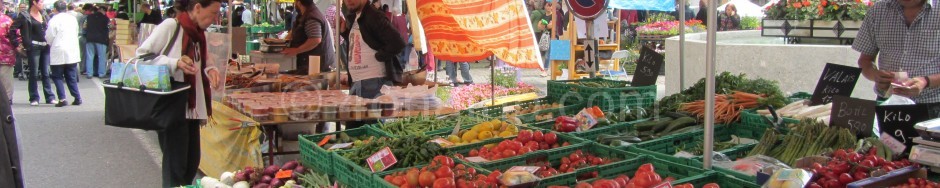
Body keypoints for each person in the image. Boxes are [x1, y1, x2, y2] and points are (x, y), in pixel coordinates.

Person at [136, 0, 220, 185]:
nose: (216, 18)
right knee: (176, 167)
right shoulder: (170, 26)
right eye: (213, 13)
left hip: (192, 108)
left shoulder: (198, 34)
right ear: (197, 7)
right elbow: (141, 57)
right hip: (172, 107)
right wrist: (174, 63)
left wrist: (211, 69)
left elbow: (200, 62)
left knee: (191, 164)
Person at [854, 0, 940, 116]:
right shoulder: (878, 10)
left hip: (932, 105)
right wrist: (876, 75)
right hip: (888, 103)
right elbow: (865, 60)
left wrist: (926, 81)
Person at [341, 0, 405, 128]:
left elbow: (397, 42)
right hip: (358, 84)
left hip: (374, 85)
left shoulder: (373, 15)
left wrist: (378, 56)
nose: (348, 1)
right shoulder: (357, 16)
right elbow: (362, 42)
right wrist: (344, 32)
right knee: (354, 133)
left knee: (372, 134)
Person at [10, 0, 55, 106]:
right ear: (34, 2)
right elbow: (12, 30)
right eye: (41, 2)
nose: (43, 4)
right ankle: (34, 97)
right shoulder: (24, 15)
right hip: (33, 46)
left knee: (46, 72)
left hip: (45, 45)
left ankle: (49, 96)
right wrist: (17, 44)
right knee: (34, 73)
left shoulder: (44, 14)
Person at [281, 0, 334, 74]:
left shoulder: (312, 16)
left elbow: (315, 39)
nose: (294, 4)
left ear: (299, 2)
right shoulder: (303, 14)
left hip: (316, 67)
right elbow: (296, 31)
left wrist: (296, 50)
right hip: (306, 64)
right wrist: (281, 42)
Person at [45, 1, 81, 107]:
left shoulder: (54, 20)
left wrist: (50, 43)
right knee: (71, 76)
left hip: (58, 49)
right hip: (72, 49)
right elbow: (76, 31)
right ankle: (77, 97)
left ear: (55, 9)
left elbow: (49, 36)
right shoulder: (72, 19)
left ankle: (62, 98)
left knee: (57, 76)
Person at [83, 4, 108, 79]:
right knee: (101, 57)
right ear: (102, 11)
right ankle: (101, 73)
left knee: (90, 56)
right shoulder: (105, 18)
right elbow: (110, 27)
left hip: (90, 38)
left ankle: (89, 73)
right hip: (101, 39)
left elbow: (84, 27)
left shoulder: (89, 17)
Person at [0, 3, 15, 101]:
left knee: (5, 79)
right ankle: (7, 101)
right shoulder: (7, 20)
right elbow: (16, 37)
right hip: (6, 54)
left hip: (6, 54)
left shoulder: (7, 20)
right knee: (6, 80)